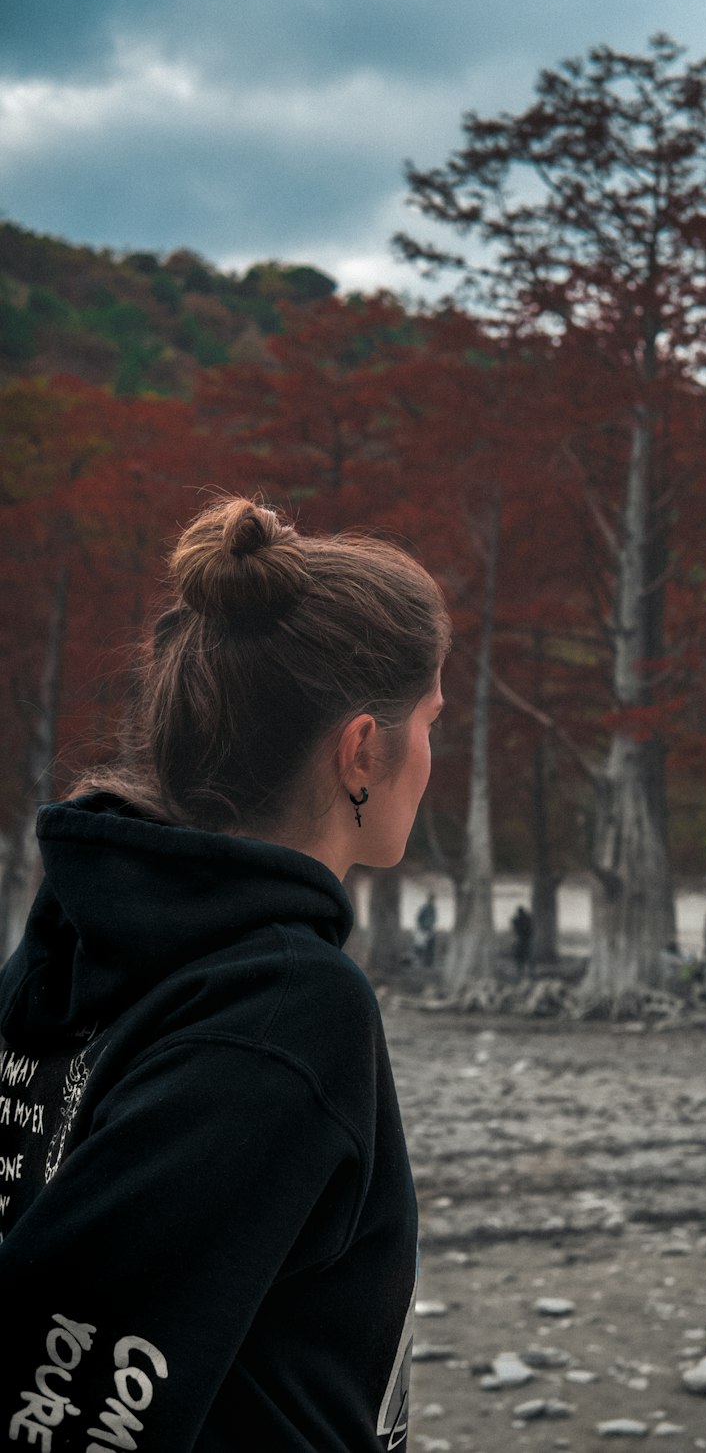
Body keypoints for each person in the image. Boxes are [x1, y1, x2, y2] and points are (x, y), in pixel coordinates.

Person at [0, 497, 450, 1452]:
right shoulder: (285, 1011)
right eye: (431, 723)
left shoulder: (71, 946)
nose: (432, 759)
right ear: (364, 747)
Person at [414, 891, 437, 967]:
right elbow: (418, 919)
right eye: (431, 899)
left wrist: (431, 928)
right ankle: (421, 962)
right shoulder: (424, 908)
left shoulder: (433, 909)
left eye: (433, 899)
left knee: (430, 945)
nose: (432, 901)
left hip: (430, 929)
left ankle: (429, 962)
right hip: (423, 930)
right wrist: (422, 928)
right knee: (421, 945)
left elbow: (434, 920)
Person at [511, 904, 533, 977]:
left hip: (521, 940)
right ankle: (528, 972)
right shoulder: (527, 919)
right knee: (527, 957)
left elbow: (515, 929)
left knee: (521, 957)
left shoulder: (516, 920)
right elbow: (530, 930)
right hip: (525, 940)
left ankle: (521, 972)